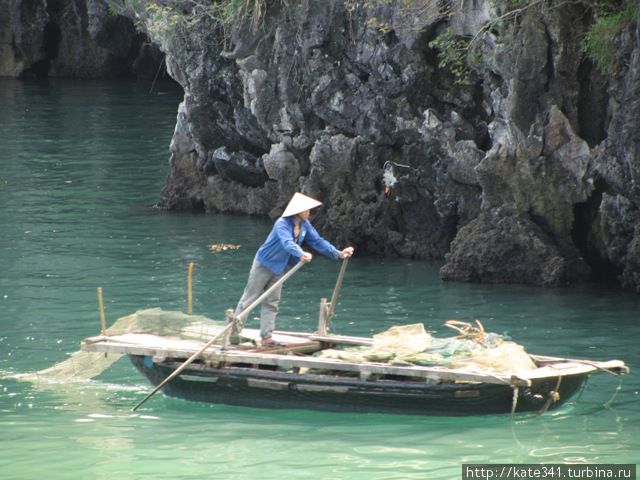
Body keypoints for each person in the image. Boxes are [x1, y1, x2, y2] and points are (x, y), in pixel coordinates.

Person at [231, 192, 354, 346]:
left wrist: (338, 253)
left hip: (279, 266)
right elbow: (287, 243)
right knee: (249, 299)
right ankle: (234, 334)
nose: (309, 212)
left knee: (272, 302)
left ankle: (267, 337)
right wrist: (301, 253)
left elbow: (318, 242)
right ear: (298, 210)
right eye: (307, 209)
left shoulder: (305, 225)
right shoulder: (282, 223)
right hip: (264, 263)